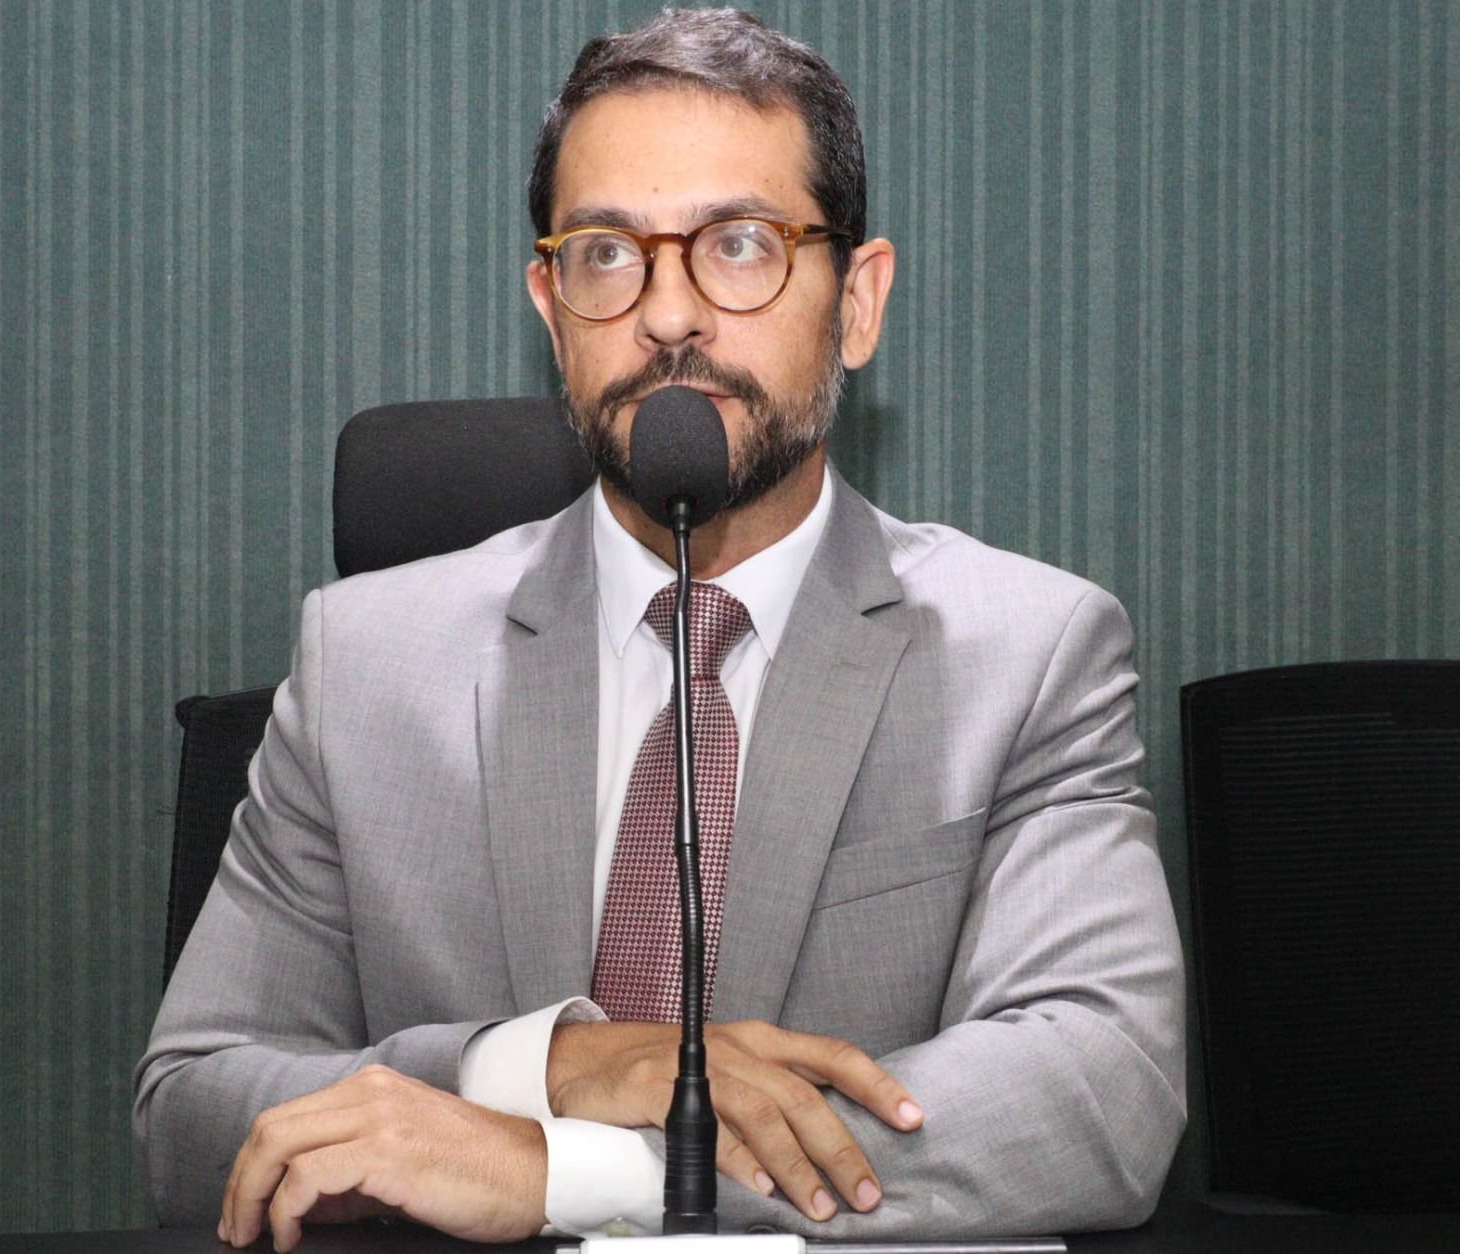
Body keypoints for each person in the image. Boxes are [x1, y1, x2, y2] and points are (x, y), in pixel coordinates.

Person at [134, 9, 1185, 1251]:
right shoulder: (363, 661)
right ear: (551, 308)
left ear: (856, 303)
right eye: (606, 254)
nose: (669, 315)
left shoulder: (1031, 652)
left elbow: (1098, 1091)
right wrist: (548, 1065)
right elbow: (192, 1112)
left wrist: (572, 1168)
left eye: (740, 245)